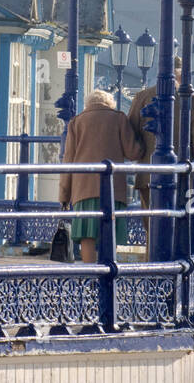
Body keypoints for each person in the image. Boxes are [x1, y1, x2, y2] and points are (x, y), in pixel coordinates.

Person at [128, 55, 194, 258]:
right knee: (179, 225)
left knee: (153, 228)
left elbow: (131, 134)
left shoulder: (142, 97)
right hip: (181, 175)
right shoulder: (191, 100)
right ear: (181, 76)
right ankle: (175, 272)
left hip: (148, 174)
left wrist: (140, 154)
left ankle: (153, 274)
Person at [58, 88, 144, 263]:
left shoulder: (76, 122)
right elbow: (133, 152)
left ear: (89, 104)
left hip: (83, 189)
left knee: (87, 235)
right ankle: (108, 272)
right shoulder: (119, 118)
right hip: (113, 188)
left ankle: (91, 275)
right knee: (109, 232)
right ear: (109, 103)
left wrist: (64, 195)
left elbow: (68, 161)